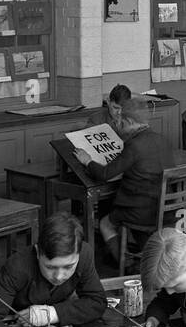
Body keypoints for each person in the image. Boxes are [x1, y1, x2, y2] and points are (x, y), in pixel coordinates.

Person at [0, 211, 107, 327]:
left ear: (79, 253)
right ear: (37, 252)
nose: (59, 276)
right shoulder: (17, 266)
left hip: (45, 326)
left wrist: (50, 314)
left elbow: (97, 302)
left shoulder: (84, 255)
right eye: (50, 267)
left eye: (69, 267)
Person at [75, 99, 179, 264]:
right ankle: (145, 258)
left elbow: (105, 173)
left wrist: (87, 160)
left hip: (142, 213)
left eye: (120, 122)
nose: (118, 126)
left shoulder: (134, 145)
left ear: (130, 121)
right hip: (164, 209)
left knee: (105, 223)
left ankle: (126, 264)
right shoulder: (161, 139)